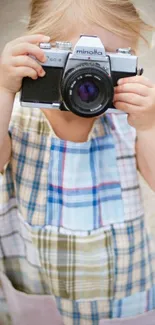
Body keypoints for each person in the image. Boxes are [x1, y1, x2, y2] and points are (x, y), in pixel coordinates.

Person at [0, 0, 155, 324]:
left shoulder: (124, 122)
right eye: (76, 60)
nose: (91, 78)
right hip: (39, 278)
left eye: (108, 60)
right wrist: (4, 90)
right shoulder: (20, 115)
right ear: (42, 53)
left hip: (121, 286)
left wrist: (149, 126)